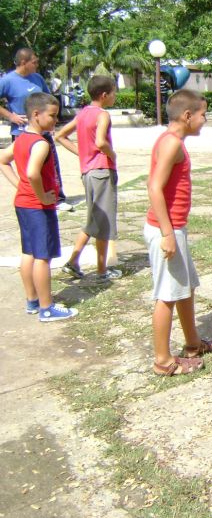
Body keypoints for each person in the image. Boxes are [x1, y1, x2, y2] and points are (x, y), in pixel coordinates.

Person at [144, 89, 212, 376]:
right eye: (203, 114)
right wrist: (167, 233)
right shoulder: (171, 144)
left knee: (184, 288)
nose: (205, 120)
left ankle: (192, 344)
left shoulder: (174, 141)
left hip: (175, 228)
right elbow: (153, 187)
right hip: (167, 230)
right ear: (187, 115)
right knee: (166, 295)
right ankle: (163, 361)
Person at [0, 93, 78, 321]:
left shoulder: (21, 139)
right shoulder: (41, 144)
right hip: (37, 207)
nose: (56, 120)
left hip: (23, 204)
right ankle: (46, 307)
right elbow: (33, 172)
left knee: (29, 253)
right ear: (36, 114)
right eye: (52, 116)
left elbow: (3, 160)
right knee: (42, 257)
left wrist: (20, 185)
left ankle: (32, 301)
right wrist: (43, 196)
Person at [54, 75, 122, 283]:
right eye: (113, 93)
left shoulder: (83, 113)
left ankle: (74, 261)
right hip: (102, 171)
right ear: (104, 95)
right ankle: (101, 271)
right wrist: (112, 154)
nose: (115, 96)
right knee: (102, 221)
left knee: (95, 219)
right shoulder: (102, 115)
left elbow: (60, 136)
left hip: (88, 172)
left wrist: (83, 153)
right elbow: (101, 142)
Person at [0, 48, 72, 211]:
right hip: (22, 133)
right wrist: (10, 116)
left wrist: (51, 122)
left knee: (51, 165)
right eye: (35, 62)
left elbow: (49, 100)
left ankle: (57, 197)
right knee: (28, 169)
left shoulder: (37, 78)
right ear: (23, 63)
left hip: (43, 132)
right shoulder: (7, 80)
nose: (37, 64)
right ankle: (29, 194)